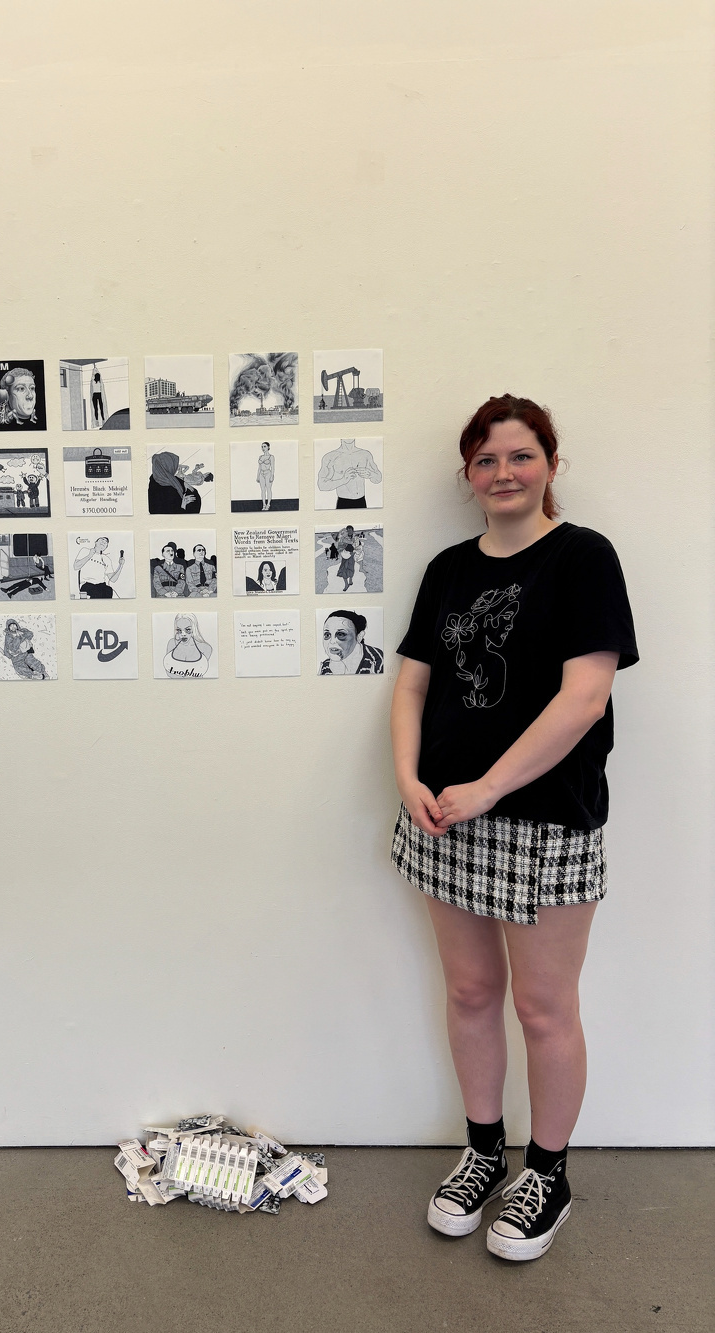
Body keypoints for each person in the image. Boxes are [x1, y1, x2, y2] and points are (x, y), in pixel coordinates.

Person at [389, 394, 637, 1262]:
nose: (503, 473)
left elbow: (586, 695)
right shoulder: (449, 568)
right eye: (487, 460)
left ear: (551, 466)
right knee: (468, 993)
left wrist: (491, 784)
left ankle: (549, 1172)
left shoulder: (582, 558)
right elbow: (414, 684)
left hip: (543, 819)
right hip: (447, 818)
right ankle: (484, 1149)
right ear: (469, 476)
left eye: (521, 456)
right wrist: (410, 778)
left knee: (542, 1006)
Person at [317, 438, 381, 508]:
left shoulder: (365, 454)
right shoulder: (330, 457)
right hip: (343, 502)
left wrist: (371, 474)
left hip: (361, 501)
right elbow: (321, 485)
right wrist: (343, 480)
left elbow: (378, 478)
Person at [319, 609, 384, 674]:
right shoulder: (325, 666)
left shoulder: (378, 662)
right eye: (327, 634)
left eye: (340, 634)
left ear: (359, 636)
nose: (332, 641)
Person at [163, 612, 213, 678]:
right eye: (179, 630)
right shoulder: (172, 643)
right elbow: (168, 672)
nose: (183, 634)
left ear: (194, 629)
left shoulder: (205, 648)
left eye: (188, 629)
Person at [256, 441, 275, 511]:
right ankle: (264, 504)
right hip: (261, 474)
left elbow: (273, 467)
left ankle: (268, 504)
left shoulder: (271, 457)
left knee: (268, 489)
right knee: (263, 490)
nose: (263, 448)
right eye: (262, 447)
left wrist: (272, 475)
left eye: (264, 446)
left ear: (268, 447)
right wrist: (257, 476)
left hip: (268, 473)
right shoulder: (260, 457)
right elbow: (259, 467)